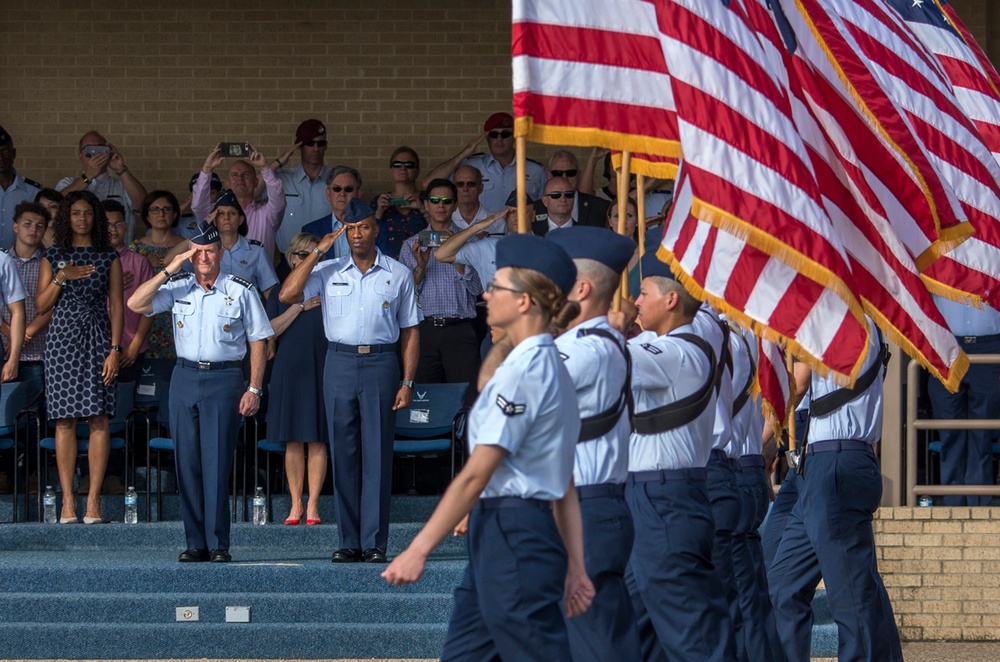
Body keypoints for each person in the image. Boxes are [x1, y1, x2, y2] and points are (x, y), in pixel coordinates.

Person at [382, 233, 595, 662]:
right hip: (513, 527)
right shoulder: (547, 362)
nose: (485, 293)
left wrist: (419, 548)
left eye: (497, 286)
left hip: (516, 529)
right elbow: (564, 482)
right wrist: (575, 564)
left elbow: (479, 471)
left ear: (523, 302)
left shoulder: (526, 371)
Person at [279, 198, 419, 564]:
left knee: (376, 455)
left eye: (364, 227)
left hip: (381, 362)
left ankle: (374, 542)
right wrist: (317, 252)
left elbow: (410, 331)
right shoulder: (328, 270)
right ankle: (348, 541)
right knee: (343, 453)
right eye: (351, 228)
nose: (357, 234)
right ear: (344, 232)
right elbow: (288, 294)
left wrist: (407, 381)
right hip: (338, 362)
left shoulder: (398, 273)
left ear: (376, 230)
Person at [612, 252, 736, 661]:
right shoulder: (667, 342)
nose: (635, 301)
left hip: (664, 497)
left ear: (671, 301)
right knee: (633, 628)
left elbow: (610, 358)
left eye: (643, 293)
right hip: (648, 496)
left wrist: (606, 325)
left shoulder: (680, 352)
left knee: (692, 634)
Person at [127, 221, 272, 563]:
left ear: (221, 254)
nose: (204, 257)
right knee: (187, 462)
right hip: (184, 377)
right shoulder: (179, 286)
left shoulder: (240, 289)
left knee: (217, 462)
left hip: (224, 380)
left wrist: (254, 387)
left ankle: (218, 543)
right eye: (197, 251)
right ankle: (195, 543)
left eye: (209, 251)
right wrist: (169, 268)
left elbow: (259, 340)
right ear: (190, 255)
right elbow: (135, 303)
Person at [768, 316, 903, 662]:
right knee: (784, 586)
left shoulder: (848, 319)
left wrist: (757, 445)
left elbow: (798, 382)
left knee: (851, 599)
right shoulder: (836, 317)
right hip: (820, 464)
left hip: (837, 463)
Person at [546, 226, 642, 662]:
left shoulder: (584, 350)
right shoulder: (589, 344)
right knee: (596, 636)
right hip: (587, 503)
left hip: (586, 506)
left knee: (593, 640)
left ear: (580, 288)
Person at [36, 190, 124, 524]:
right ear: (66, 218)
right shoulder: (53, 255)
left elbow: (116, 305)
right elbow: (42, 305)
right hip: (62, 340)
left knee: (99, 418)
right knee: (64, 420)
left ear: (96, 217)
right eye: (75, 213)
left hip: (100, 337)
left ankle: (93, 502)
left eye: (88, 213)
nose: (82, 219)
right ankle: (68, 502)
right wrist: (62, 276)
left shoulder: (108, 256)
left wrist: (115, 350)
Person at [266, 233, 328, 526]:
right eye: (303, 255)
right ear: (292, 259)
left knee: (317, 438)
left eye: (315, 255)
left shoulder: (331, 289)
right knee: (293, 439)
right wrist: (299, 307)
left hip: (322, 366)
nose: (308, 260)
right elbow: (269, 331)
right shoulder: (280, 292)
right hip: (289, 368)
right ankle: (295, 504)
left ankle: (313, 504)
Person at [398, 179, 482, 384]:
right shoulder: (411, 245)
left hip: (460, 330)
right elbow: (404, 296)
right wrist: (420, 267)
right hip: (424, 331)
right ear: (426, 204)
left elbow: (478, 289)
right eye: (435, 200)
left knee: (465, 399)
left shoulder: (470, 243)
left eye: (446, 200)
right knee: (425, 402)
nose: (441, 205)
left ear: (454, 205)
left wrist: (458, 257)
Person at [928, 296, 1000, 506]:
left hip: (990, 344)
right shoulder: (937, 263)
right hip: (945, 343)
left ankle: (980, 506)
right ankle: (953, 504)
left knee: (983, 432)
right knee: (950, 429)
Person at [422, 112, 546, 212]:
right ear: (487, 138)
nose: (499, 139)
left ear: (514, 137)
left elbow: (544, 208)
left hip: (519, 238)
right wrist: (465, 152)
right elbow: (428, 183)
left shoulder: (535, 170)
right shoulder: (471, 167)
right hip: (482, 236)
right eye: (494, 134)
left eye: (505, 134)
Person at [166, 190, 279, 299]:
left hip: (246, 313)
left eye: (232, 213)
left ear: (240, 220)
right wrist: (200, 231)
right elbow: (168, 261)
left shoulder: (256, 251)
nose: (226, 217)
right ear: (214, 221)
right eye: (221, 214)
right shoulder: (203, 250)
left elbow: (269, 290)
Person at [192, 142, 286, 262]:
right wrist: (207, 168)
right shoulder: (216, 214)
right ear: (227, 183)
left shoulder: (266, 215)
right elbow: (198, 206)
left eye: (246, 175)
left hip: (258, 279)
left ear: (256, 182)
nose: (240, 179)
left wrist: (264, 167)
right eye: (234, 175)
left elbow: (279, 200)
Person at [55, 131, 149, 245]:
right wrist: (88, 176)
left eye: (100, 149)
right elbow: (57, 207)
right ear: (80, 155)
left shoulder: (122, 184)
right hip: (79, 254)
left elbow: (144, 206)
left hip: (120, 256)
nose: (95, 154)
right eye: (90, 149)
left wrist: (121, 169)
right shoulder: (68, 182)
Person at [1, 202, 49, 413]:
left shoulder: (49, 263)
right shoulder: (3, 260)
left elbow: (50, 307)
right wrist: (11, 335)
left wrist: (23, 336)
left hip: (37, 350)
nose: (33, 229)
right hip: (3, 345)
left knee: (32, 413)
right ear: (15, 226)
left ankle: (28, 448)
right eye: (27, 223)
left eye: (40, 226)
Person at [130, 191, 188, 360]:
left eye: (166, 209)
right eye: (154, 209)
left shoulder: (187, 246)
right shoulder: (135, 248)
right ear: (147, 215)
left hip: (176, 316)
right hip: (143, 318)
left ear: (175, 214)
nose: (161, 214)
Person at [104, 200, 154, 383]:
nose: (113, 229)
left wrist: (135, 346)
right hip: (95, 347)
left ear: (126, 227)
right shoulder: (89, 261)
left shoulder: (139, 262)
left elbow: (150, 309)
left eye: (118, 224)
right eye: (107, 225)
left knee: (124, 405)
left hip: (130, 347)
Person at [273, 119, 333, 254]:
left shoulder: (336, 181)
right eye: (310, 144)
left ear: (326, 146)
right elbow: (252, 191)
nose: (316, 148)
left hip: (326, 262)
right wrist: (279, 161)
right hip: (290, 262)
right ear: (299, 146)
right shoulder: (283, 180)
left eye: (321, 143)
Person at [531, 150, 610, 233]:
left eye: (570, 173)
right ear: (549, 175)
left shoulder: (601, 208)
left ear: (578, 175)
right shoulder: (533, 209)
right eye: (557, 173)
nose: (564, 177)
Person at [373, 146, 428, 260]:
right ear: (390, 170)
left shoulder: (428, 199)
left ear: (417, 171)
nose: (403, 168)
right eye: (397, 165)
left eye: (409, 165)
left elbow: (441, 236)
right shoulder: (379, 201)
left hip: (423, 266)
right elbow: (367, 240)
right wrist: (379, 213)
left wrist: (423, 209)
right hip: (387, 267)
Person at [300, 166, 359, 261]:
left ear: (359, 194)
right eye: (336, 189)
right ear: (328, 194)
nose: (342, 193)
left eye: (348, 189)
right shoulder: (310, 230)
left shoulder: (377, 228)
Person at [0, 124, 43, 250]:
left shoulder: (34, 192)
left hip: (22, 263)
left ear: (14, 153)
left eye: (5, 151)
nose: (1, 157)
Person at [451, 165, 503, 234]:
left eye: (471, 184)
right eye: (460, 184)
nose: (465, 189)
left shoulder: (498, 222)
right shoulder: (445, 220)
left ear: (480, 188)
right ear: (452, 188)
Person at [177, 172, 222, 239]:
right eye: (202, 195)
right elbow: (167, 221)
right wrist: (187, 200)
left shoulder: (225, 219)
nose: (207, 198)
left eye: (212, 193)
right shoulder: (184, 222)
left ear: (218, 195)